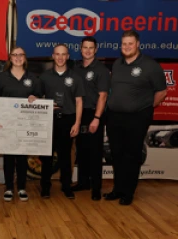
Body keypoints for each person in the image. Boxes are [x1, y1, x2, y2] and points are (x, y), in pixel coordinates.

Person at [105, 30, 167, 205]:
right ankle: (117, 189)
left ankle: (128, 192)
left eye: (130, 44)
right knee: (116, 154)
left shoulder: (150, 65)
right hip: (115, 117)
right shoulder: (117, 63)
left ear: (138, 44)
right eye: (124, 44)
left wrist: (145, 107)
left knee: (131, 155)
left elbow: (162, 92)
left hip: (137, 118)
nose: (126, 47)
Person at [0, 46, 42, 202]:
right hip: (7, 123)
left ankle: (21, 187)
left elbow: (41, 99)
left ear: (25, 58)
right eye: (15, 55)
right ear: (10, 58)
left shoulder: (33, 78)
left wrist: (36, 98)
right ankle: (8, 188)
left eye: (21, 54)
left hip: (25, 124)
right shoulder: (2, 77)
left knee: (22, 157)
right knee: (8, 157)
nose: (18, 57)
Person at [39, 44, 85, 199]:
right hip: (48, 119)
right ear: (53, 56)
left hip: (68, 119)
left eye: (63, 54)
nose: (60, 57)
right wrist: (44, 103)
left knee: (66, 156)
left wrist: (77, 123)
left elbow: (79, 102)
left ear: (68, 57)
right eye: (57, 54)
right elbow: (38, 97)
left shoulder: (76, 77)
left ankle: (66, 186)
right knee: (46, 156)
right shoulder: (44, 76)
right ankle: (45, 187)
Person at [72, 37, 110, 200]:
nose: (87, 50)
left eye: (91, 48)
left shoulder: (101, 69)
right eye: (85, 47)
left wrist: (96, 118)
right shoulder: (76, 68)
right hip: (80, 114)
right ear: (80, 49)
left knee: (95, 152)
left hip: (95, 114)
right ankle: (83, 182)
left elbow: (103, 96)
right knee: (82, 149)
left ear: (96, 50)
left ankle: (96, 188)